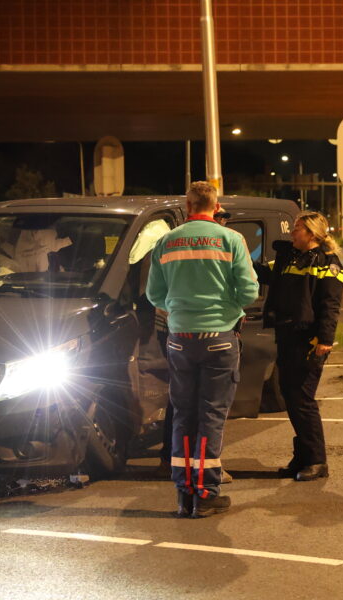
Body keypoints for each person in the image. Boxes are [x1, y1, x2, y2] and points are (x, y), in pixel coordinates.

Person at [147, 182, 258, 518]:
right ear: (216, 205)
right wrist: (228, 310)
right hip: (219, 338)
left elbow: (154, 294)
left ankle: (184, 493)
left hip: (180, 338)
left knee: (183, 415)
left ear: (188, 205)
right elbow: (249, 292)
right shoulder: (230, 240)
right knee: (211, 416)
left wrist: (180, 310)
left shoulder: (166, 241)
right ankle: (206, 493)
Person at [256, 211, 343, 481]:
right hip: (286, 335)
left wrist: (324, 341)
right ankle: (303, 456)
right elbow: (262, 273)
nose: (292, 233)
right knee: (291, 397)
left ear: (312, 234)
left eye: (297, 229)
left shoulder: (328, 263)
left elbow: (330, 305)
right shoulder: (287, 258)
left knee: (302, 399)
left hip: (309, 339)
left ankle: (317, 461)